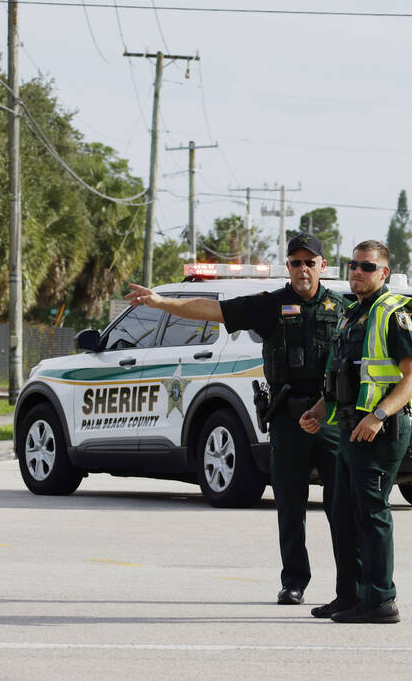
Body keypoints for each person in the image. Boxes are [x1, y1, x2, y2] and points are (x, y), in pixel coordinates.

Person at [125, 234, 349, 608]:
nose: (303, 269)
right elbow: (213, 310)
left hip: (329, 417)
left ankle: (349, 587)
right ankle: (294, 581)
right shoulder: (271, 305)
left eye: (310, 262)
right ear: (288, 267)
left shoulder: (343, 308)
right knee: (290, 506)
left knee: (341, 506)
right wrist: (162, 301)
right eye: (296, 262)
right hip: (287, 416)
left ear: (323, 266)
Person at [299, 240, 412, 624]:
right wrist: (318, 411)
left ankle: (381, 600)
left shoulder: (393, 312)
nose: (357, 272)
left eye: (367, 267)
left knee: (371, 512)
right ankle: (350, 595)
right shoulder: (352, 314)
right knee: (343, 512)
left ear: (383, 273)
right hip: (350, 426)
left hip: (379, 430)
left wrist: (380, 415)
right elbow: (345, 376)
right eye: (352, 265)